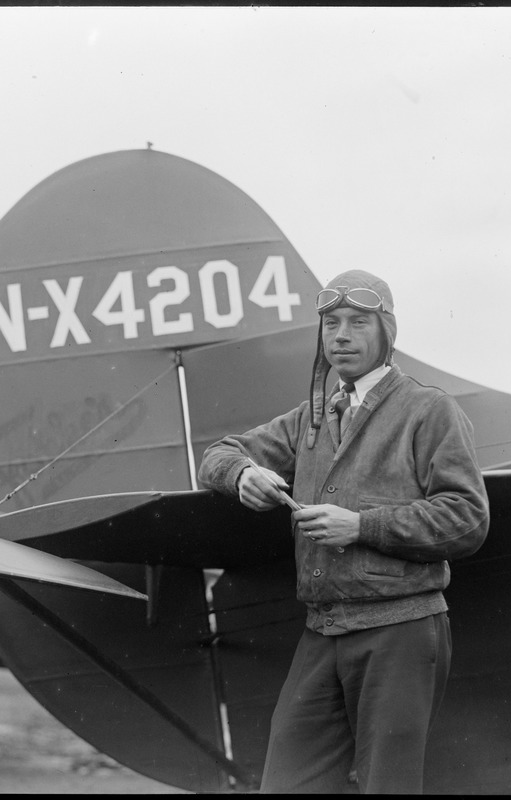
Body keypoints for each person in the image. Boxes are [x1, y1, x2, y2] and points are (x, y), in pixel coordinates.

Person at [198, 269, 489, 794]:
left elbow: (467, 517)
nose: (342, 335)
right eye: (331, 323)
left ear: (387, 333)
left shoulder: (429, 410)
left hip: (400, 629)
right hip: (324, 629)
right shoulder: (311, 417)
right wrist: (243, 474)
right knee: (286, 781)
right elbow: (218, 454)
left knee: (387, 786)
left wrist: (361, 526)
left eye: (359, 322)